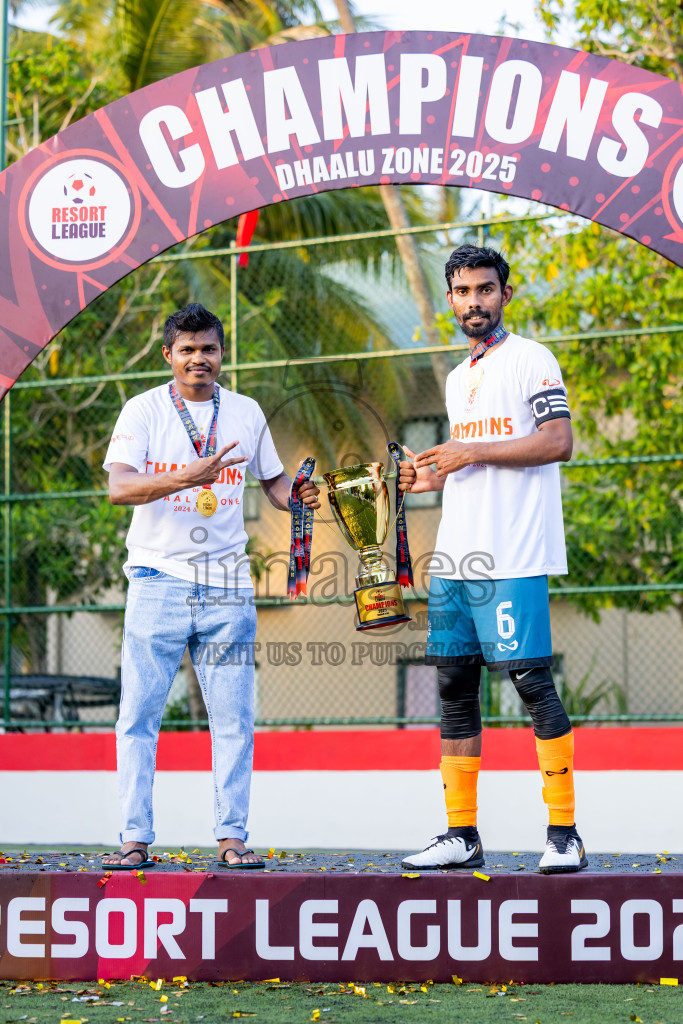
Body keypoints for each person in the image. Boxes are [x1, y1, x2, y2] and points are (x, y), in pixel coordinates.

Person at [101, 302, 319, 870]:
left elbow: (272, 481)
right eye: (188, 350)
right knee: (139, 716)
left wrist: (296, 497)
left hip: (227, 582)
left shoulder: (245, 411)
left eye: (210, 349)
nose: (200, 359)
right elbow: (119, 489)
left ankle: (231, 837)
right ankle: (133, 839)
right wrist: (187, 475)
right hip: (157, 576)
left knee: (233, 719)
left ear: (223, 354)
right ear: (169, 355)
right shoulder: (143, 410)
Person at [399, 244, 585, 874]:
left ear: (506, 293)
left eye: (484, 288)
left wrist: (468, 455)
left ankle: (564, 832)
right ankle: (460, 835)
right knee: (454, 690)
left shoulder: (533, 358)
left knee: (531, 682)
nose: (473, 301)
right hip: (457, 558)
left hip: (515, 551)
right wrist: (428, 477)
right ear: (449, 299)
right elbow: (468, 465)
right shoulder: (457, 377)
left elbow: (557, 441)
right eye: (461, 291)